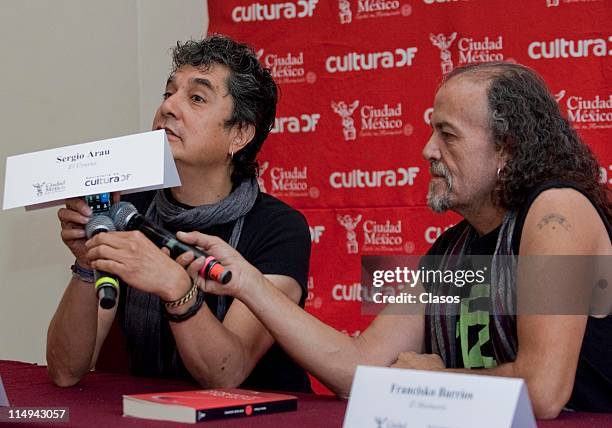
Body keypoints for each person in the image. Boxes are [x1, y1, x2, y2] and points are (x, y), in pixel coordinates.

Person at [176, 62, 611, 419]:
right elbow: (359, 366)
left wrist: (430, 381)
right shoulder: (452, 250)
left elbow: (544, 390)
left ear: (507, 148)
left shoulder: (558, 212)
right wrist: (248, 283)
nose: (428, 150)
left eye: (448, 134)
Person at [47, 35, 312, 392]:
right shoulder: (130, 209)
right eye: (168, 93)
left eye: (196, 97)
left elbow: (225, 374)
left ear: (240, 134)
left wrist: (176, 287)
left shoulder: (279, 229)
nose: (169, 107)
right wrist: (85, 265)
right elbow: (66, 372)